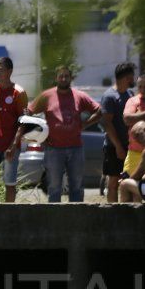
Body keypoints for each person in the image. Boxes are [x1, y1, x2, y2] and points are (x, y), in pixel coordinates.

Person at [19, 65, 102, 202]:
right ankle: (54, 220)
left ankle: (75, 218)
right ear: (56, 78)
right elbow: (28, 113)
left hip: (75, 148)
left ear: (71, 78)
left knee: (76, 187)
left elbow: (99, 111)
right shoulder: (46, 96)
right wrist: (38, 134)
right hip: (53, 149)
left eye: (66, 76)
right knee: (54, 187)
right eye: (60, 76)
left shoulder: (79, 96)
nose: (63, 78)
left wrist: (84, 125)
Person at [0, 56, 28, 203]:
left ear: (9, 71)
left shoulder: (18, 93)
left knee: (9, 183)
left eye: (0, 69)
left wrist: (13, 146)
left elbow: (23, 122)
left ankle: (9, 214)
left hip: (10, 148)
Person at [99, 62, 135, 201]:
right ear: (125, 77)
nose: (133, 79)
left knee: (129, 181)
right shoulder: (109, 96)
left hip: (130, 146)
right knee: (113, 182)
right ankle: (112, 214)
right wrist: (118, 146)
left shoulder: (130, 94)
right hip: (113, 147)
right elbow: (107, 124)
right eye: (131, 77)